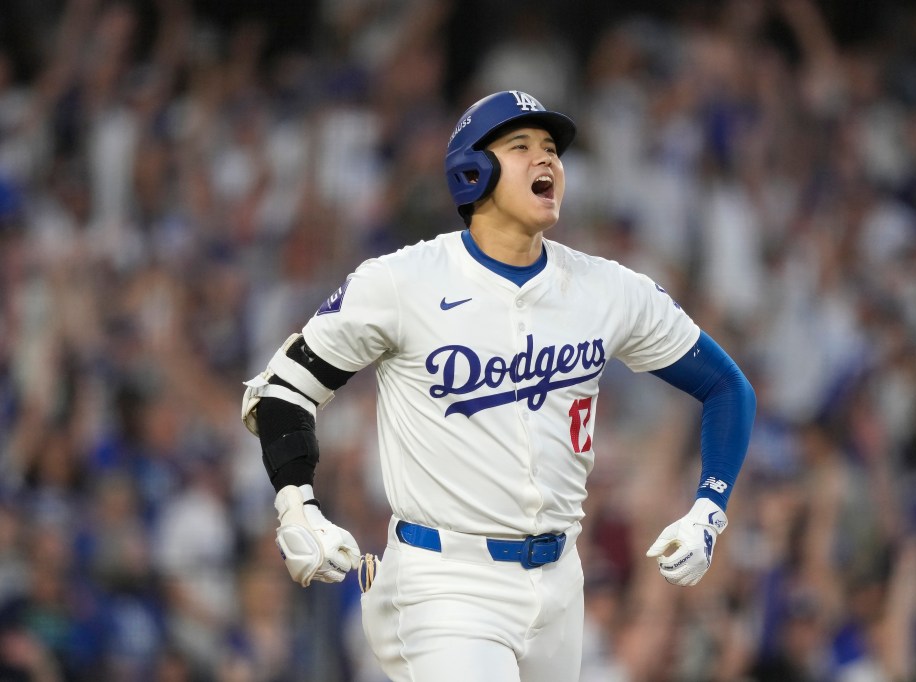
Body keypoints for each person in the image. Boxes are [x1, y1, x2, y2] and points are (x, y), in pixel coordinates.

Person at [241, 89, 756, 681]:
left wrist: (709, 511)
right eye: (521, 146)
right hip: (444, 580)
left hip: (561, 581)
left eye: (552, 150)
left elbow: (727, 387)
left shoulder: (609, 290)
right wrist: (296, 505)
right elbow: (283, 388)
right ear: (472, 171)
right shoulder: (401, 282)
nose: (547, 161)